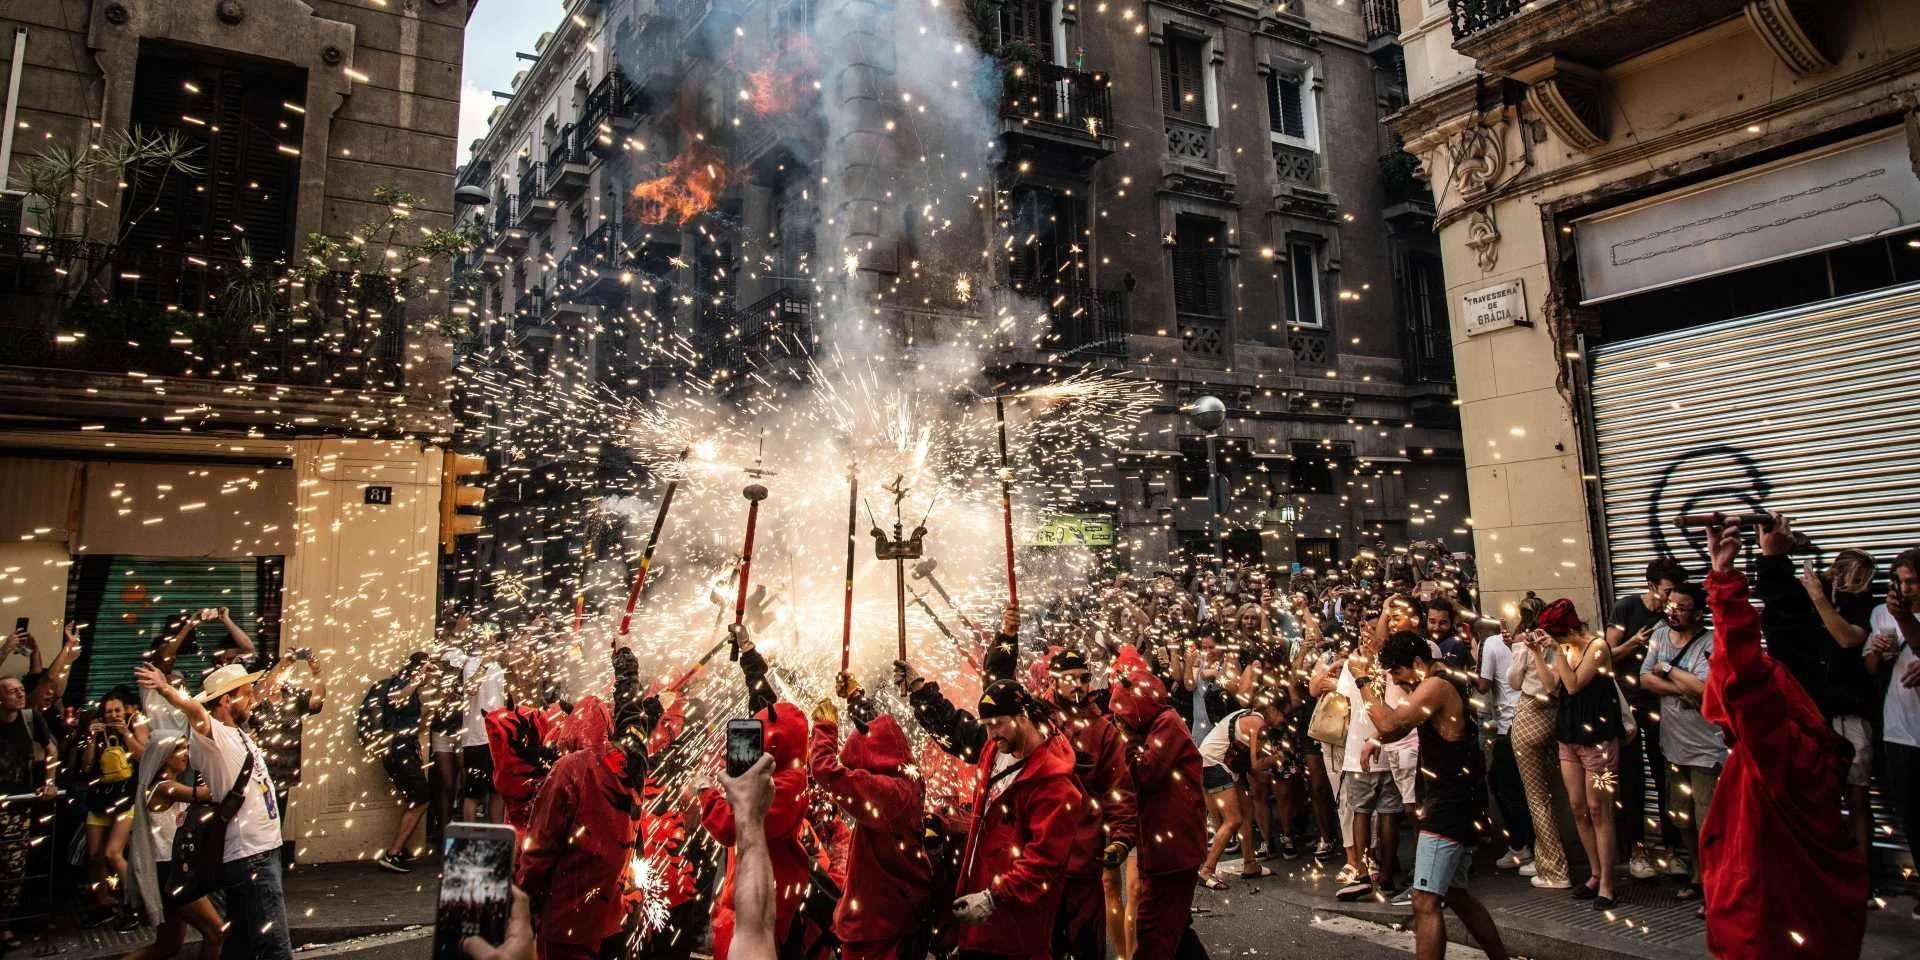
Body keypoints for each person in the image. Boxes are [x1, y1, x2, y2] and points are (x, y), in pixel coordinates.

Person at [1700, 516, 1865, 957]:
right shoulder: (1808, 734)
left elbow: (1743, 668)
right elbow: (1779, 650)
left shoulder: (1770, 755)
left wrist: (1725, 581)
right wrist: (1770, 562)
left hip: (1767, 927)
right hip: (1826, 927)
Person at [1351, 632, 1510, 960]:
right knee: (1455, 894)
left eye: (1398, 673)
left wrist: (1362, 679)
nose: (1397, 682)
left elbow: (1392, 719)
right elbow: (1397, 728)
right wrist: (1377, 739)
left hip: (1449, 804)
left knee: (1424, 900)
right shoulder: (1439, 678)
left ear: (1419, 663)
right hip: (1456, 800)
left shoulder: (1436, 685)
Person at [133, 660, 290, 960]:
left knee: (240, 947)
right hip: (251, 857)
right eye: (247, 692)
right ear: (226, 700)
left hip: (261, 852)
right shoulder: (212, 734)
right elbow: (195, 712)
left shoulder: (238, 734)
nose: (254, 697)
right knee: (274, 950)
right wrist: (167, 690)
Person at [516, 647, 653, 960]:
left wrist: (522, 894)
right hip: (614, 919)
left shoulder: (569, 769)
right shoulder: (630, 766)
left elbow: (540, 847)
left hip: (568, 922)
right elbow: (635, 723)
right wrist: (627, 671)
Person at [939, 679, 1082, 960]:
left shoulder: (1056, 787)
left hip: (1017, 930)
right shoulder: (994, 752)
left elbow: (1043, 863)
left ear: (1023, 716)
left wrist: (993, 898)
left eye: (999, 723)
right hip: (980, 923)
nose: (991, 734)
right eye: (987, 725)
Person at [699, 628, 815, 960]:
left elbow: (729, 826)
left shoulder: (783, 784)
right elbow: (768, 709)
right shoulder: (780, 765)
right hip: (756, 891)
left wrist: (706, 792)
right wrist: (750, 658)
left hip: (763, 904)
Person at [807, 681, 931, 960]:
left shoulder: (888, 795)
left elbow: (829, 773)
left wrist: (825, 731)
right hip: (892, 917)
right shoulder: (904, 778)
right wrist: (855, 699)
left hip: (879, 929)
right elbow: (876, 736)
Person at [1106, 652, 1205, 960]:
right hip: (1165, 849)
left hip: (1173, 852)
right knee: (1177, 932)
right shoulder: (1158, 722)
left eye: (1121, 714)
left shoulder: (1167, 723)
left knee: (1154, 934)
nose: (1118, 721)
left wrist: (1129, 740)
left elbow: (1145, 773)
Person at [1045, 648, 1138, 960]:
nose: (1078, 685)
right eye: (1069, 679)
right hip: (1040, 862)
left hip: (1084, 862)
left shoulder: (1104, 731)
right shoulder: (1037, 722)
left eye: (1083, 678)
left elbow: (1120, 790)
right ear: (1053, 681)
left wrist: (1122, 839)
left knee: (1088, 948)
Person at [1637, 583, 1721, 905]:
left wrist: (1669, 669)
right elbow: (1645, 678)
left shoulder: (1711, 643)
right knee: (1682, 817)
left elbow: (1702, 689)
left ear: (1698, 614)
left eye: (1680, 607)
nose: (1671, 611)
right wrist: (1679, 687)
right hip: (1672, 745)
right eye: (1669, 604)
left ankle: (1716, 887)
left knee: (1708, 820)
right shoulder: (1659, 636)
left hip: (1706, 749)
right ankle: (1699, 875)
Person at [1539, 598, 1623, 909]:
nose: (1556, 642)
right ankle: (1594, 872)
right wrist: (1538, 654)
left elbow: (1573, 685)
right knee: (1577, 807)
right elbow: (1552, 686)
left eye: (1558, 636)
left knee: (1599, 808)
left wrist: (1558, 650)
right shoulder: (1565, 649)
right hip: (1569, 737)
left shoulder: (1597, 646)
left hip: (1599, 739)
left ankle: (1608, 884)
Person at [1605, 559, 1685, 879]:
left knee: (1666, 777)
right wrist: (1633, 643)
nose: (1671, 597)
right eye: (1667, 590)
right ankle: (1638, 851)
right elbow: (1607, 655)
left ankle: (1672, 850)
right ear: (1651, 585)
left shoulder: (1674, 613)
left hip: (1664, 706)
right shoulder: (1626, 608)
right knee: (1632, 779)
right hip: (1629, 707)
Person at [122, 736, 224, 960]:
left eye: (187, 748)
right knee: (215, 932)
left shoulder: (169, 786)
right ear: (163, 756)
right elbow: (209, 793)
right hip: (171, 873)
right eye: (179, 749)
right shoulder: (164, 788)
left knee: (168, 945)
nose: (186, 753)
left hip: (171, 871)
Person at [1866, 546, 1920, 921]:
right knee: (1913, 817)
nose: (1906, 588)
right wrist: (1879, 653)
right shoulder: (1881, 613)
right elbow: (1869, 665)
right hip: (1900, 729)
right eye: (1900, 581)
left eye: (1913, 580)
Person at [1506, 618, 1570, 890]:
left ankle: (1554, 867)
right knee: (1558, 794)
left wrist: (1521, 650)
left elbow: (1513, 680)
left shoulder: (1527, 646)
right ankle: (1550, 857)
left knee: (1537, 799)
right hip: (1555, 718)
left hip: (1530, 715)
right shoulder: (1564, 647)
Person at [248, 648, 326, 867]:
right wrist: (282, 664)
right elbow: (259, 694)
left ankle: (270, 863)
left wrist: (317, 673)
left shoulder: (294, 696)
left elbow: (317, 701)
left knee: (276, 818)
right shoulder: (257, 698)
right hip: (259, 771)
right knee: (255, 818)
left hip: (284, 771)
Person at [1194, 695, 1281, 888]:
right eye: (1281, 713)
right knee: (1233, 820)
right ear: (1273, 711)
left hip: (1225, 765)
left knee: (1246, 812)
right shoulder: (1258, 724)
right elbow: (1256, 764)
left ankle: (1249, 863)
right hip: (1214, 765)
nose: (1283, 719)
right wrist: (1276, 759)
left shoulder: (1251, 716)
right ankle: (1206, 870)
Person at [1466, 621, 1532, 873]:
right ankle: (1523, 845)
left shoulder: (1488, 644)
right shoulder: (1512, 643)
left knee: (1506, 787)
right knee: (1513, 786)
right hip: (1521, 719)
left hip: (1509, 725)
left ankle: (1522, 846)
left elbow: (1483, 685)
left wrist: (1469, 666)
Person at [79, 689, 145, 929]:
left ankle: (134, 906)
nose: (114, 714)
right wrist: (91, 739)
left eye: (117, 709)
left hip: (126, 799)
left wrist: (126, 733)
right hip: (100, 800)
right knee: (95, 856)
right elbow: (86, 767)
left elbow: (143, 756)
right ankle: (103, 904)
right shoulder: (96, 729)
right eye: (109, 711)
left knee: (113, 853)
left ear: (125, 709)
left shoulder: (134, 723)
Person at [0, 675, 55, 951]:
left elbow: (51, 749)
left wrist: (50, 781)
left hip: (18, 808)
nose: (20, 695)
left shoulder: (30, 719)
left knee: (13, 869)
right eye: (12, 691)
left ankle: (4, 925)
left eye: (22, 690)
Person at [374, 653, 432, 873]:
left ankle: (400, 848)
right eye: (426, 667)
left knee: (414, 798)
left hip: (406, 749)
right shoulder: (401, 682)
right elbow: (396, 700)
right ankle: (393, 853)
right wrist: (418, 681)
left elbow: (416, 725)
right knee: (422, 797)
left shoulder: (415, 690)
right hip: (397, 751)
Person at [459, 639, 507, 823]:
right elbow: (471, 689)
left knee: (498, 790)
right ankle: (468, 838)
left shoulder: (498, 665)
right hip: (476, 738)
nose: (494, 643)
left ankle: (498, 836)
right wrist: (485, 663)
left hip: (498, 737)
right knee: (473, 792)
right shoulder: (472, 664)